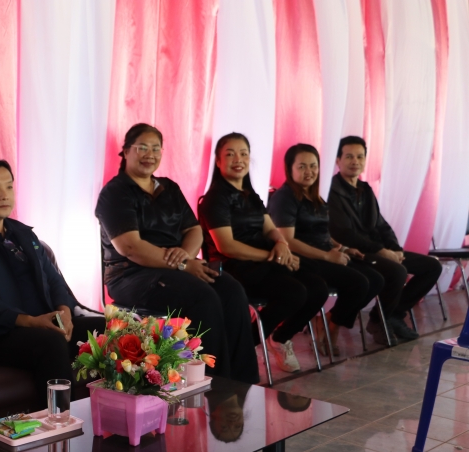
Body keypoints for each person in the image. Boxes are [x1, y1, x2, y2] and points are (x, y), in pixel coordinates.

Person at [95, 123, 259, 384]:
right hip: (132, 274)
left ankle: (242, 383)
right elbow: (130, 247)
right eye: (143, 148)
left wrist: (184, 257)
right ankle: (214, 383)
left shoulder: (168, 188)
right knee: (203, 297)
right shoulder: (115, 193)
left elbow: (194, 230)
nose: (150, 154)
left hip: (176, 268)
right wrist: (183, 265)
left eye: (156, 148)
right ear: (126, 152)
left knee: (231, 289)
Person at [0, 160, 106, 407]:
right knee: (50, 343)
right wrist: (30, 321)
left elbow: (53, 278)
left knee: (111, 329)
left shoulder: (23, 233)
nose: (4, 195)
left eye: (9, 187)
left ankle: (121, 411)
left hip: (43, 325)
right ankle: (61, 422)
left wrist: (64, 311)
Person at [200, 133, 329, 373]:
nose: (238, 159)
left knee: (318, 286)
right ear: (218, 161)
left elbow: (270, 229)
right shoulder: (214, 199)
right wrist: (272, 256)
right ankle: (244, 347)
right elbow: (227, 246)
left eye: (244, 154)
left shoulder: (250, 194)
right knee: (294, 292)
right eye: (230, 154)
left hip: (263, 263)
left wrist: (281, 244)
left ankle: (279, 337)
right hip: (233, 268)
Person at [267, 144, 384, 356]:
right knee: (358, 282)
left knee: (376, 279)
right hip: (302, 259)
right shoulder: (284, 198)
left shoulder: (314, 196)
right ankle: (323, 328)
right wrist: (327, 256)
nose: (309, 171)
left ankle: (330, 320)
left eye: (313, 166)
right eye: (302, 166)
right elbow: (287, 241)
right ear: (290, 169)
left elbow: (322, 233)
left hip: (324, 254)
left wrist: (343, 248)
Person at [328, 136, 442, 345]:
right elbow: (345, 234)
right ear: (338, 160)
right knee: (397, 272)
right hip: (353, 252)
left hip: (377, 249)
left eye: (360, 157)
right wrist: (382, 251)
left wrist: (395, 249)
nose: (355, 161)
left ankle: (392, 315)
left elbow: (381, 225)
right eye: (349, 156)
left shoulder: (365, 190)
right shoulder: (331, 191)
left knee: (432, 266)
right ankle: (381, 320)